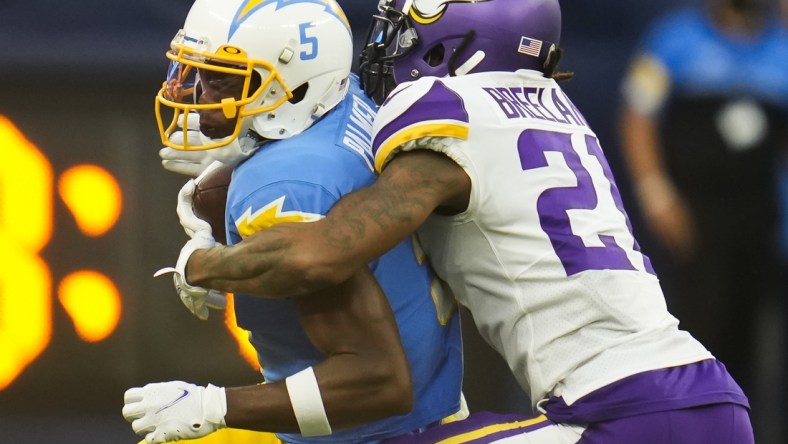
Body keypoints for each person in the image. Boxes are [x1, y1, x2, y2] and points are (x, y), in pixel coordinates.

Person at [165, 0, 757, 442]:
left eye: (405, 34)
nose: (388, 48)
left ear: (457, 45)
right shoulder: (557, 107)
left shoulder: (447, 114)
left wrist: (207, 264)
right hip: (704, 396)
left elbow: (321, 253)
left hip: (624, 411)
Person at [122, 0, 464, 443]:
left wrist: (213, 407)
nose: (196, 96)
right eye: (196, 74)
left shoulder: (284, 188)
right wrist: (243, 153)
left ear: (298, 87)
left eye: (224, 81)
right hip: (435, 403)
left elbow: (378, 381)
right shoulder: (345, 99)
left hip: (374, 434)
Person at [619, 0, 788, 403]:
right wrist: (657, 196)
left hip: (762, 222)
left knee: (757, 347)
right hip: (696, 224)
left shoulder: (780, 45)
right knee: (701, 336)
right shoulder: (673, 38)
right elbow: (638, 116)